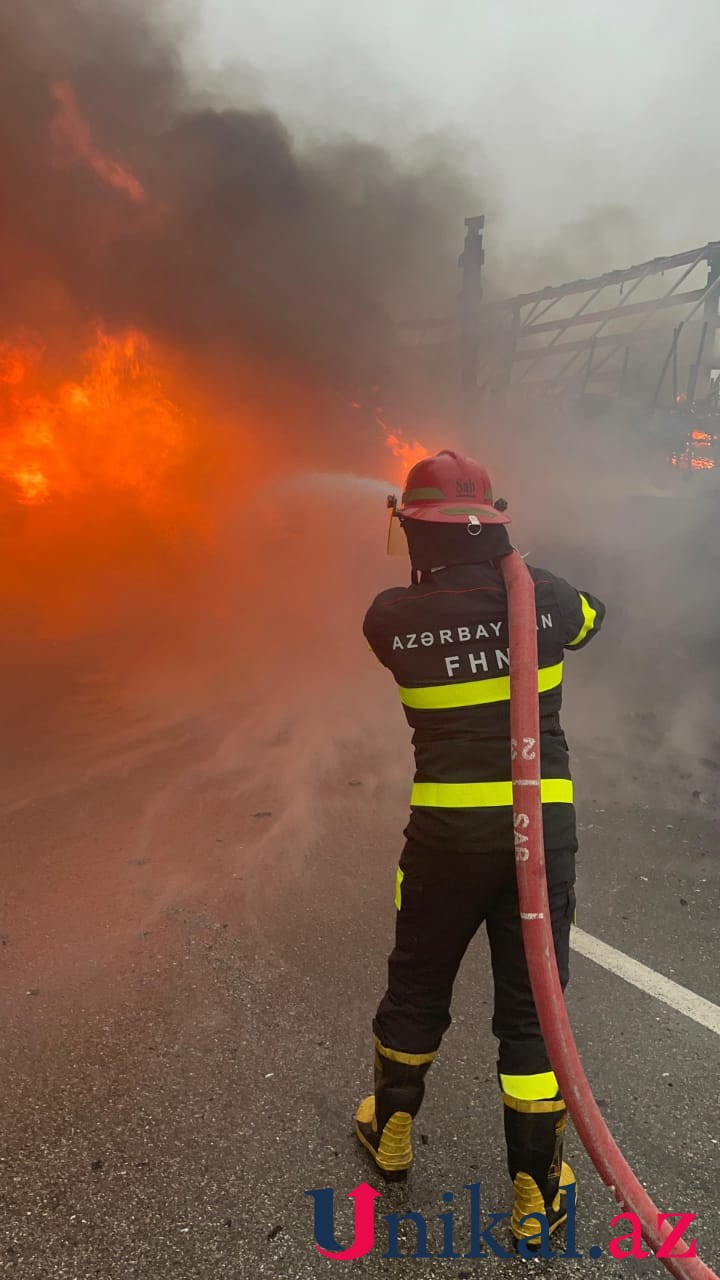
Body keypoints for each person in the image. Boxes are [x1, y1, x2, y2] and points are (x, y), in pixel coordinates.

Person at [356, 449, 605, 1248]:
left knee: (418, 983)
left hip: (444, 842)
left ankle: (390, 1132)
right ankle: (536, 1192)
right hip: (538, 841)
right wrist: (515, 565)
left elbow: (433, 610)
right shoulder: (548, 600)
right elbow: (594, 618)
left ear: (414, 533)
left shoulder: (389, 617)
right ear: (494, 523)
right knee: (533, 1010)